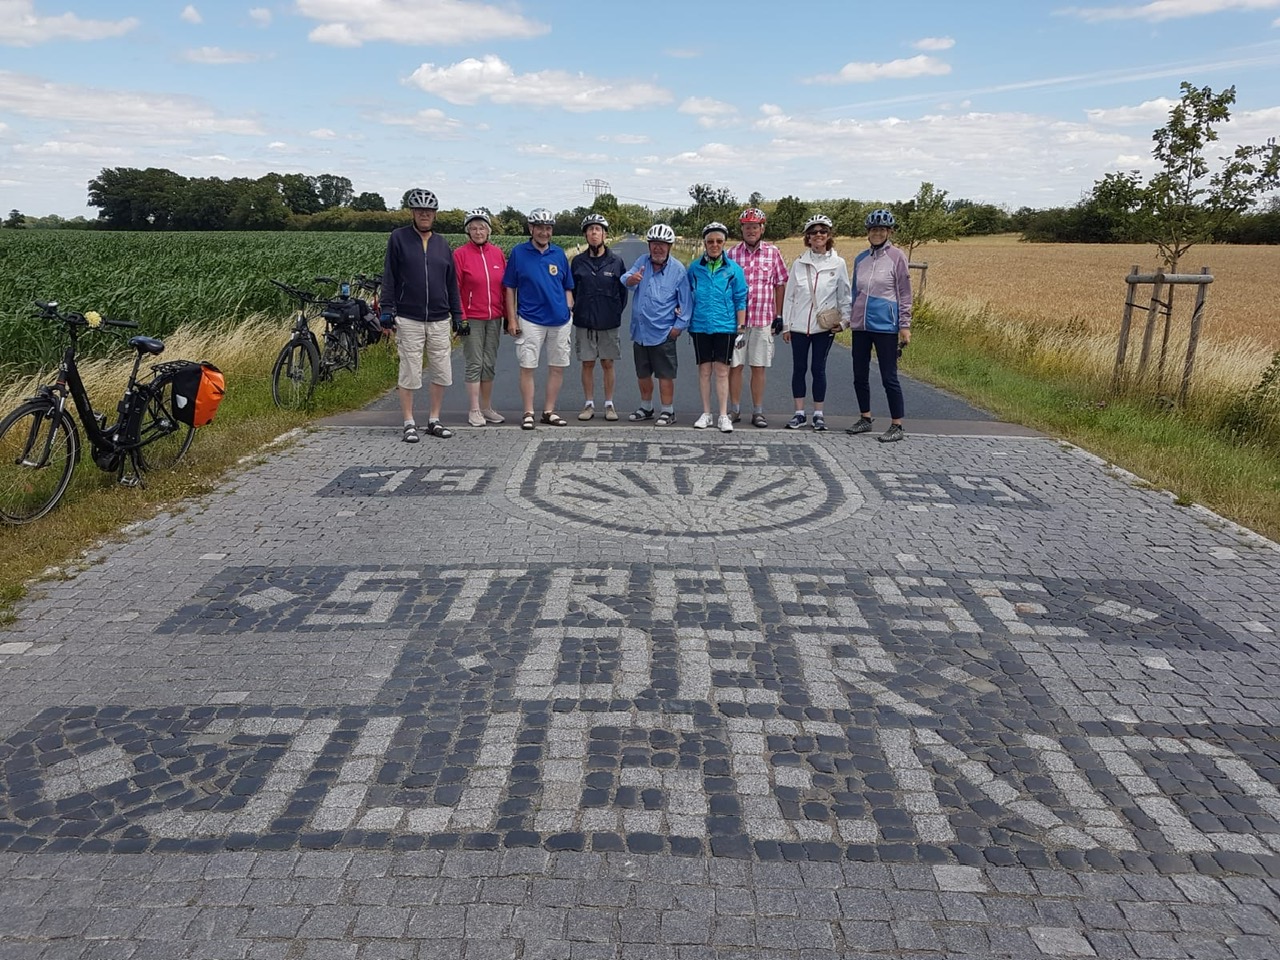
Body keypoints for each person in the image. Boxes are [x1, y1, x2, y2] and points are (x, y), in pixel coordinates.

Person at [380, 187, 463, 442]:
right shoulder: (399, 238)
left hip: (439, 317)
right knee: (410, 370)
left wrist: (457, 313)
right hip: (409, 316)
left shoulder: (441, 243)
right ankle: (408, 421)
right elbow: (390, 275)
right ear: (413, 213)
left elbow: (451, 282)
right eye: (420, 211)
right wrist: (386, 309)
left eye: (429, 211)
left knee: (441, 370)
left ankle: (434, 419)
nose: (424, 214)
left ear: (435, 215)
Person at [503, 208, 575, 430]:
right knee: (528, 365)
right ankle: (528, 412)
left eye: (548, 228)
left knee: (557, 366)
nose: (544, 232)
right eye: (540, 228)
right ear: (531, 229)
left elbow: (568, 286)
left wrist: (569, 308)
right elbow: (509, 287)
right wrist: (512, 319)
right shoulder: (519, 253)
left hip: (560, 320)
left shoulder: (559, 254)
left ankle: (549, 411)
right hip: (530, 318)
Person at [847, 208, 912, 443]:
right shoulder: (861, 259)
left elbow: (904, 293)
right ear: (868, 232)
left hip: (886, 325)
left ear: (889, 232)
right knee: (859, 374)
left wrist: (905, 325)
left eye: (881, 229)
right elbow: (855, 292)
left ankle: (897, 424)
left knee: (888, 376)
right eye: (873, 229)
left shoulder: (897, 257)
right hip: (861, 326)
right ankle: (865, 418)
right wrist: (849, 318)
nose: (877, 233)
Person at [781, 214, 851, 432]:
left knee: (818, 369)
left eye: (823, 232)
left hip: (823, 327)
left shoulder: (838, 264)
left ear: (829, 236)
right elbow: (790, 296)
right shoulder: (799, 264)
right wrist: (786, 325)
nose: (818, 236)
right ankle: (799, 413)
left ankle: (818, 414)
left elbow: (844, 296)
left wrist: (845, 322)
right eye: (813, 232)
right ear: (807, 238)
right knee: (799, 368)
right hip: (800, 326)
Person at [620, 224, 690, 426]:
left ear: (670, 246)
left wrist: (677, 328)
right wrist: (631, 279)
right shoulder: (642, 261)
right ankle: (646, 407)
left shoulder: (678, 270)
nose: (658, 248)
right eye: (654, 244)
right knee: (643, 373)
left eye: (662, 245)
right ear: (649, 246)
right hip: (640, 331)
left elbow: (686, 303)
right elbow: (625, 278)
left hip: (663, 332)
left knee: (665, 374)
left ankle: (668, 411)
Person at [726, 207, 789, 428]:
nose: (751, 230)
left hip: (763, 319)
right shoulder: (732, 254)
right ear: (741, 229)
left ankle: (758, 411)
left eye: (755, 226)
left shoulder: (773, 253)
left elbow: (781, 283)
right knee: (735, 365)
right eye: (747, 227)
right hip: (737, 321)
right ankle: (734, 409)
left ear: (762, 228)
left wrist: (779, 315)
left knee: (758, 366)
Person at [687, 222, 748, 433]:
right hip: (700, 325)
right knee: (704, 370)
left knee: (722, 371)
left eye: (719, 241)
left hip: (725, 325)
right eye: (710, 241)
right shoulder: (694, 268)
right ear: (705, 243)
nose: (714, 245)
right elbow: (687, 295)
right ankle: (706, 413)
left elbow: (740, 298)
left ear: (724, 243)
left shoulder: (734, 270)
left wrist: (740, 328)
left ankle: (723, 415)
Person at [452, 207, 508, 427]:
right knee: (474, 362)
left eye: (482, 228)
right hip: (472, 317)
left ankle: (487, 407)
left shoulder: (497, 253)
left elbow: (504, 287)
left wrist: (508, 315)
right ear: (468, 232)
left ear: (488, 231)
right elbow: (454, 289)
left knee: (489, 363)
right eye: (473, 228)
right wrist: (460, 317)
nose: (478, 232)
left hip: (494, 316)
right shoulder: (460, 254)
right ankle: (474, 409)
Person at [571, 213, 628, 421]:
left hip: (608, 322)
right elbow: (573, 290)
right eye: (590, 229)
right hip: (584, 321)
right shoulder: (577, 262)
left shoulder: (616, 262)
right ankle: (588, 404)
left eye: (598, 229)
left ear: (604, 234)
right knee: (587, 363)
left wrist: (612, 312)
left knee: (608, 363)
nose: (594, 233)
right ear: (585, 234)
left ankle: (609, 404)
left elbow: (623, 294)